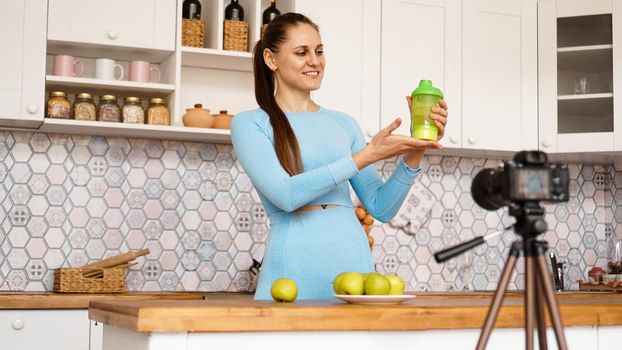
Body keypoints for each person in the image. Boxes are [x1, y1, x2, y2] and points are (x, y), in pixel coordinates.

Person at [231, 13, 448, 300]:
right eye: (301, 52)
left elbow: (381, 208)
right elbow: (284, 195)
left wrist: (415, 151)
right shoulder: (250, 124)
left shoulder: (344, 123)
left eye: (319, 51)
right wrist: (365, 156)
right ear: (271, 59)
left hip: (354, 267)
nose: (315, 61)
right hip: (292, 270)